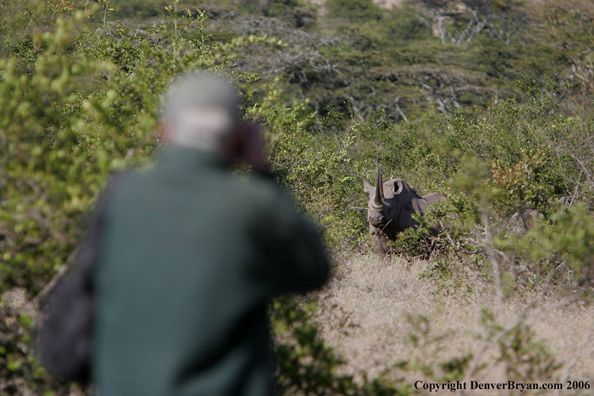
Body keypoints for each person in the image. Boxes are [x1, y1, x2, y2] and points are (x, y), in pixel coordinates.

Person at [85, 72, 330, 395]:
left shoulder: (118, 196)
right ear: (239, 138)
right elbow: (314, 269)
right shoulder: (251, 204)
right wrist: (263, 173)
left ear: (163, 131)